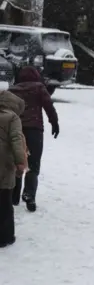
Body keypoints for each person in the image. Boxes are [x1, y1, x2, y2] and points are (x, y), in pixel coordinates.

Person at [9, 66, 59, 212]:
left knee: (17, 162)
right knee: (33, 164)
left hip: (16, 130)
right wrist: (54, 123)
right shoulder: (39, 87)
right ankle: (29, 194)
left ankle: (14, 195)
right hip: (35, 130)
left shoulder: (13, 90)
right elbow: (49, 106)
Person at [0, 90, 27, 247]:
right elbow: (17, 140)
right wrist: (20, 161)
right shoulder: (12, 117)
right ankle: (5, 236)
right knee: (4, 201)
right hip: (4, 162)